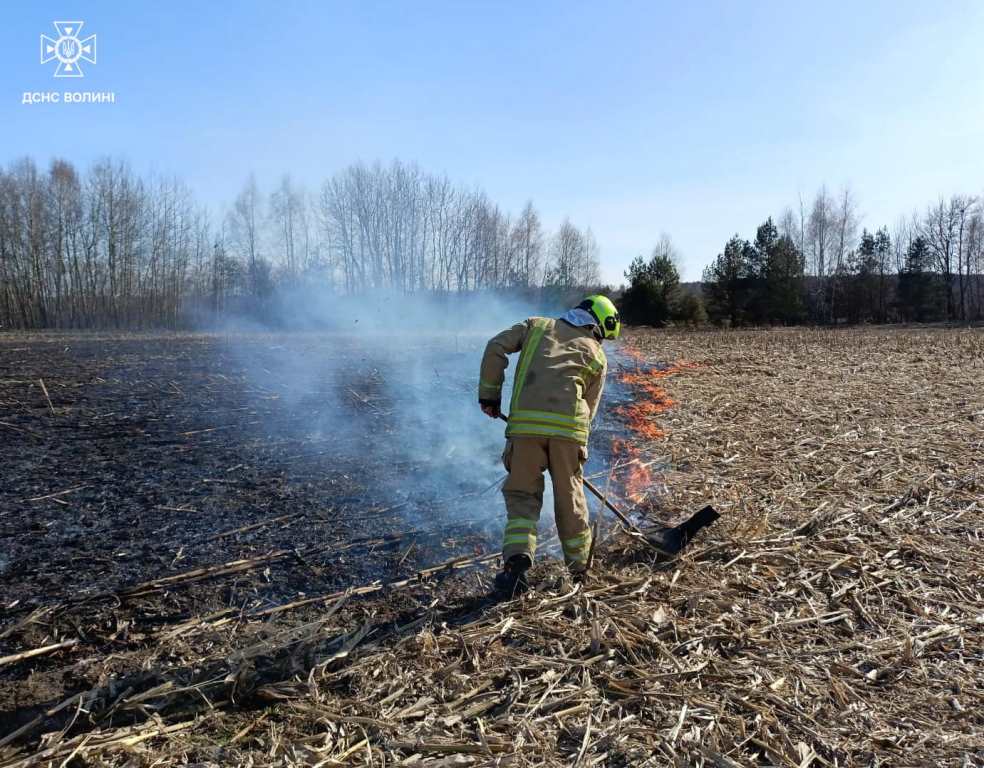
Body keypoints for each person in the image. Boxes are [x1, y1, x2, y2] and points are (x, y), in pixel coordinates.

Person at [479, 295, 620, 594]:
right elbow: (589, 410)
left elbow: (496, 346)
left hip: (525, 429)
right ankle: (580, 571)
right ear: (597, 326)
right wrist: (573, 449)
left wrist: (490, 395)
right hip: (568, 433)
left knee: (522, 496)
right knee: (570, 500)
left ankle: (516, 565)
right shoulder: (597, 354)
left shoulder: (535, 326)